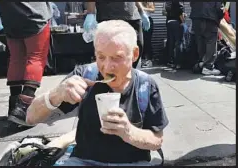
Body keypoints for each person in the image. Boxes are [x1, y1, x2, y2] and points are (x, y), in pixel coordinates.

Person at [26, 20, 169, 166]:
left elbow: (157, 140)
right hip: (83, 161)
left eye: (116, 58)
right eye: (101, 57)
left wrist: (129, 132)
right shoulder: (84, 76)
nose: (107, 67)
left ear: (134, 54)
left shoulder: (145, 86)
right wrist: (56, 94)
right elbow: (30, 117)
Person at [0, 2, 52, 127]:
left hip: (9, 15)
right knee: (36, 57)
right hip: (33, 13)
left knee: (16, 58)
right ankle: (23, 108)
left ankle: (13, 106)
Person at [83, 2, 151, 69]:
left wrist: (142, 12)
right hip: (109, 16)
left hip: (133, 16)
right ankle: (111, 74)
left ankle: (128, 72)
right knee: (110, 50)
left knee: (138, 45)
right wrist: (91, 13)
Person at [190, 2, 224, 75]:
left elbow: (192, 4)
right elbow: (219, 9)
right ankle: (208, 66)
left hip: (196, 20)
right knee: (211, 42)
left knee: (200, 42)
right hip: (209, 20)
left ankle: (201, 65)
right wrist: (220, 16)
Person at [164, 0, 186, 69]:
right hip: (176, 22)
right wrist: (183, 21)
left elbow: (164, 11)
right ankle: (178, 63)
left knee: (171, 42)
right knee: (179, 42)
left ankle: (171, 62)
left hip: (169, 22)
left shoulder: (167, 2)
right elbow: (180, 11)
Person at [141, 2, 155, 68]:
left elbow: (153, 10)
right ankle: (142, 59)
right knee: (141, 41)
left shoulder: (149, 2)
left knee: (147, 41)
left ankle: (149, 60)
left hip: (147, 20)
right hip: (139, 20)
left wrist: (143, 8)